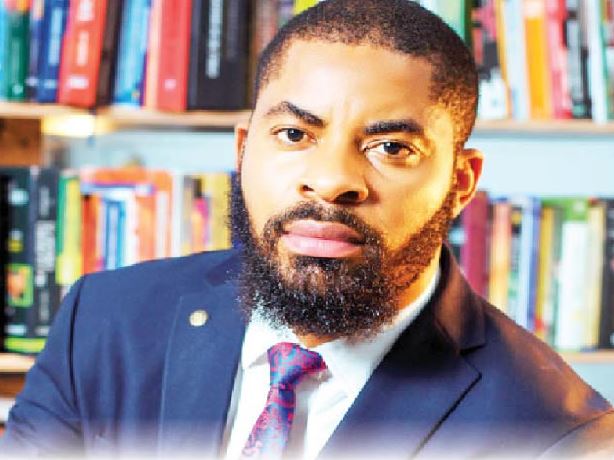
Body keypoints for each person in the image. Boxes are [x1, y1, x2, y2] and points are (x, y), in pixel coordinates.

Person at [2, 0, 614, 458]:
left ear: (460, 181)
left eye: (391, 147)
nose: (330, 181)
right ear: (243, 150)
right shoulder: (102, 320)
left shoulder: (557, 435)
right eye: (294, 134)